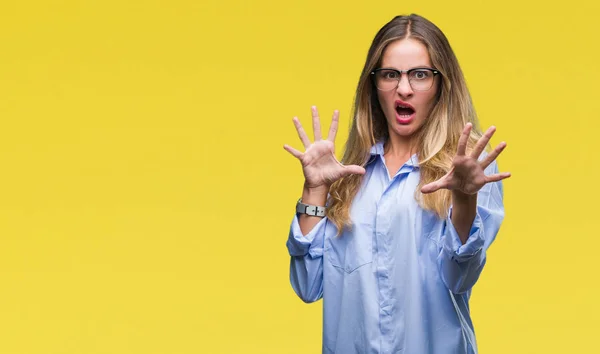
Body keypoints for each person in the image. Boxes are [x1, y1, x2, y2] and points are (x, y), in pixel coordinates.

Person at [283, 14, 511, 354]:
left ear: (441, 84)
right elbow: (307, 285)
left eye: (420, 74)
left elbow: (459, 278)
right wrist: (315, 190)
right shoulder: (350, 177)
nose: (403, 88)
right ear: (374, 86)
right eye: (390, 74)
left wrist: (464, 198)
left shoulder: (467, 171)